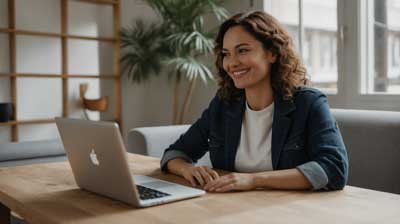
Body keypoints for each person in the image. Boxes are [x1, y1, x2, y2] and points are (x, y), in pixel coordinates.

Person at [160, 11, 348, 193]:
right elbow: (174, 153)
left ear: (272, 53)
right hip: (229, 208)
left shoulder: (309, 103)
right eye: (226, 54)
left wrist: (254, 180)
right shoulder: (223, 104)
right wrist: (189, 169)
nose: (231, 63)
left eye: (242, 50)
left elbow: (334, 168)